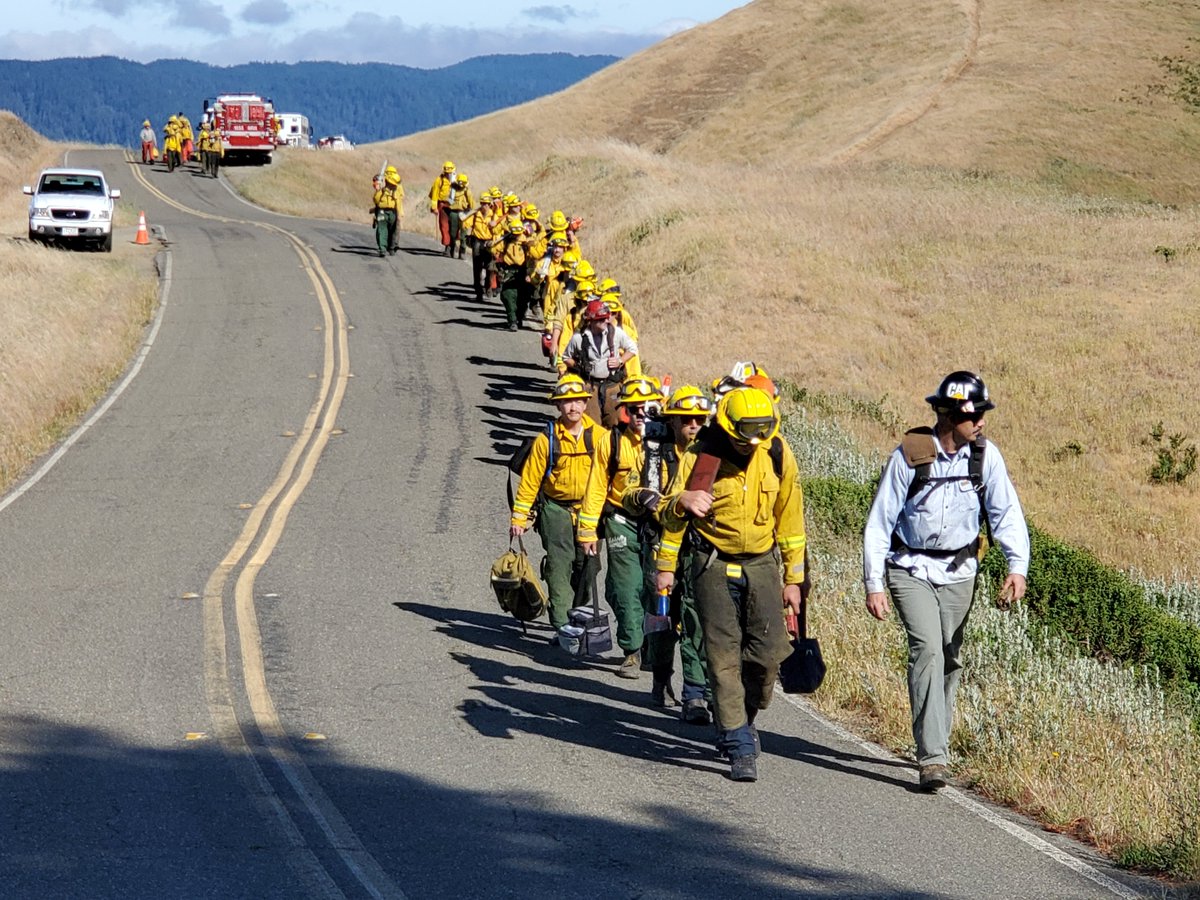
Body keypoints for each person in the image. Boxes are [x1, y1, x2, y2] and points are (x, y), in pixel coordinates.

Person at [862, 371, 1029, 792]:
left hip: (960, 571)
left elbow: (1006, 513)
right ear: (950, 416)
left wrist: (1016, 566)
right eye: (975, 416)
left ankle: (934, 738)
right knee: (928, 650)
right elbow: (880, 522)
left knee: (950, 659)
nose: (982, 424)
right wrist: (874, 582)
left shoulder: (985, 457)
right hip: (910, 568)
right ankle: (933, 757)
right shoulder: (910, 456)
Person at [655, 386, 807, 782]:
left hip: (762, 565)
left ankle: (744, 716)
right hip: (713, 564)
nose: (752, 444)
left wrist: (795, 578)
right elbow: (672, 520)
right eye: (745, 437)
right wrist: (668, 560)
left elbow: (790, 518)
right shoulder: (701, 455)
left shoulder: (775, 452)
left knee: (766, 658)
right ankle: (738, 741)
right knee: (722, 656)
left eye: (760, 435)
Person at [578, 375, 667, 679]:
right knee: (627, 588)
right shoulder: (610, 441)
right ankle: (632, 651)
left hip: (660, 526)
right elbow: (595, 487)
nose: (642, 415)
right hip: (620, 522)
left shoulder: (668, 441)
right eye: (635, 409)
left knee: (656, 589)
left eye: (648, 408)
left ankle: (655, 652)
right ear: (625, 411)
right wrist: (587, 530)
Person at [635, 385, 714, 720]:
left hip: (695, 549)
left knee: (696, 619)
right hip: (660, 543)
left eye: (699, 419)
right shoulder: (655, 452)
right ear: (673, 421)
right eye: (686, 419)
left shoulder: (711, 455)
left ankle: (695, 694)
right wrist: (675, 502)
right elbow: (648, 497)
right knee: (665, 620)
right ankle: (660, 674)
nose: (693, 425)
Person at [511, 374, 607, 639]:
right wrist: (519, 517)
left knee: (588, 568)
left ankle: (576, 613)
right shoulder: (546, 440)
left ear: (586, 404)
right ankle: (562, 625)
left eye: (577, 400)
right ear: (558, 406)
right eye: (566, 402)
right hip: (554, 509)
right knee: (558, 565)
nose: (572, 407)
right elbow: (530, 481)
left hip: (589, 512)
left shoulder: (600, 437)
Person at [562, 300, 636, 426]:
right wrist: (579, 367)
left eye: (607, 318)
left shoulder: (616, 333)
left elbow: (633, 349)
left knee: (615, 424)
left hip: (612, 386)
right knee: (592, 424)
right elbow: (565, 357)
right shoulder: (578, 338)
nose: (606, 321)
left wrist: (620, 361)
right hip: (590, 387)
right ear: (591, 320)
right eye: (601, 319)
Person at [491, 219, 531, 330]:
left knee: (522, 298)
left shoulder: (526, 242)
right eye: (514, 233)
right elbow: (494, 249)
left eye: (518, 233)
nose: (516, 236)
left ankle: (519, 318)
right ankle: (512, 320)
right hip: (508, 272)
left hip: (523, 272)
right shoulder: (506, 241)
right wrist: (491, 246)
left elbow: (535, 252)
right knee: (507, 295)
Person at [461, 190, 498, 301]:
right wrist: (465, 218)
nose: (485, 206)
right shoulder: (476, 214)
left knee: (490, 267)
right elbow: (465, 224)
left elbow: (497, 229)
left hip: (489, 242)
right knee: (477, 268)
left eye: (487, 204)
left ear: (490, 204)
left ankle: (488, 286)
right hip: (477, 241)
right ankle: (478, 291)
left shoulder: (493, 215)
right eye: (482, 203)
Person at [372, 169, 404, 258]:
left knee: (392, 231)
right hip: (382, 211)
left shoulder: (396, 190)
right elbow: (376, 200)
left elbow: (399, 203)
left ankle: (391, 247)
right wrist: (378, 191)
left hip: (393, 212)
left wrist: (399, 214)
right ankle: (382, 249)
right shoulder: (381, 189)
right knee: (382, 229)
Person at [428, 161, 456, 255]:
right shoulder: (439, 180)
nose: (448, 174)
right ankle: (447, 247)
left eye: (450, 172)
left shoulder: (456, 180)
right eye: (447, 172)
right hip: (443, 206)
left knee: (454, 227)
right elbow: (435, 194)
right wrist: (434, 207)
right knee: (444, 226)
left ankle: (453, 245)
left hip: (455, 207)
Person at [447, 172, 474, 259]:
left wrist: (468, 211)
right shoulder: (453, 188)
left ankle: (462, 251)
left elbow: (472, 204)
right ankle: (452, 248)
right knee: (453, 233)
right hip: (453, 213)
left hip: (464, 213)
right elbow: (449, 200)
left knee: (463, 235)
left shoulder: (467, 191)